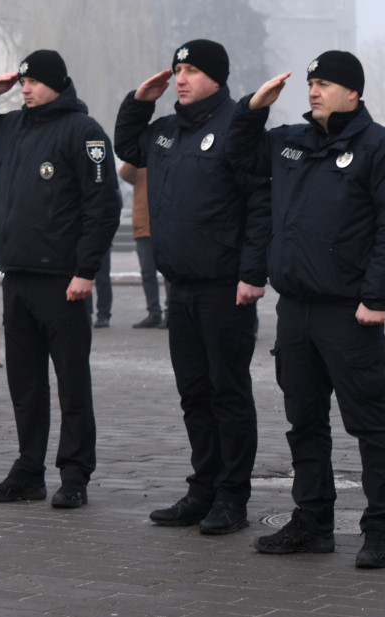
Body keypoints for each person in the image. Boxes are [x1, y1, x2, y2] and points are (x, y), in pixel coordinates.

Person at [227, 50, 385, 569]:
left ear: (353, 92)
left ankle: (382, 529)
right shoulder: (289, 142)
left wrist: (376, 299)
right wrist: (252, 108)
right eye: (311, 82)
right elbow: (236, 154)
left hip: (349, 312)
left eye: (326, 83)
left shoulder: (382, 149)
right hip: (296, 309)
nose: (313, 90)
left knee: (369, 423)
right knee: (304, 422)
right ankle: (312, 522)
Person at [115, 39, 271, 536]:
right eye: (177, 70)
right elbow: (127, 146)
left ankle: (232, 496)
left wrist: (252, 274)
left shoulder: (235, 128)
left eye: (192, 71)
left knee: (228, 394)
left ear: (217, 78)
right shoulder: (165, 131)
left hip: (224, 288)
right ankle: (203, 488)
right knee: (194, 395)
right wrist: (139, 101)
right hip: (179, 286)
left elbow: (259, 205)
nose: (181, 79)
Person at [0, 49, 121, 509]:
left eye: (34, 82)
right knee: (25, 384)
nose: (25, 88)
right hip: (18, 275)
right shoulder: (9, 127)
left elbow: (103, 205)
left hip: (63, 281)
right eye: (22, 82)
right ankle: (29, 470)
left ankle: (75, 474)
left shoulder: (83, 131)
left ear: (57, 84)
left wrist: (85, 270)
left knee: (71, 382)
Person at [117, 163, 169, 329]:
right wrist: (140, 153)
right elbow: (124, 173)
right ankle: (154, 312)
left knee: (170, 273)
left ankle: (171, 312)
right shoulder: (140, 160)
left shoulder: (168, 156)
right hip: (144, 224)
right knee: (147, 273)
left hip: (166, 223)